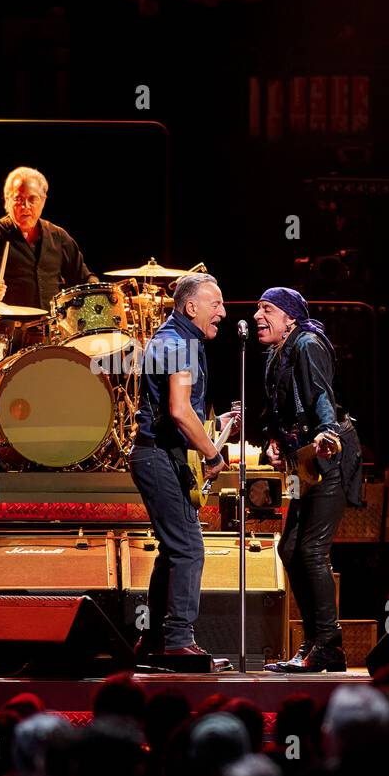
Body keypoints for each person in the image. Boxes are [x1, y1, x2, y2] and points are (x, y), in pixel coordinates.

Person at [129, 273, 239, 668]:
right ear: (191, 307)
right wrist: (212, 454)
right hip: (158, 457)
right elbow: (178, 411)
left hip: (160, 455)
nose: (222, 313)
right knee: (188, 548)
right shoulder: (178, 344)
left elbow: (176, 410)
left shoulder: (175, 339)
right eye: (216, 304)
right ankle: (177, 642)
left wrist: (218, 425)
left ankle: (154, 641)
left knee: (173, 550)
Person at [253, 287, 362, 672]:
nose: (257, 316)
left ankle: (328, 644)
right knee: (289, 549)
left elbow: (320, 395)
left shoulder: (308, 343)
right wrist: (274, 442)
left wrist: (326, 432)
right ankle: (315, 643)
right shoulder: (279, 351)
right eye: (258, 309)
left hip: (326, 455)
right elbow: (281, 407)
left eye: (267, 309)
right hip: (303, 460)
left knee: (312, 551)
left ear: (290, 317)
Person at [0, 166, 97, 311]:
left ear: (43, 201)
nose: (25, 206)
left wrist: (100, 290)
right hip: (5, 323)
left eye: (32, 199)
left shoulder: (59, 237)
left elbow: (84, 278)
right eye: (18, 199)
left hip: (50, 322)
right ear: (7, 201)